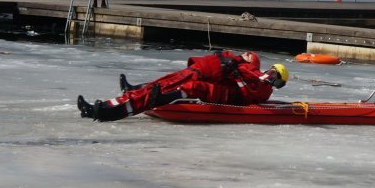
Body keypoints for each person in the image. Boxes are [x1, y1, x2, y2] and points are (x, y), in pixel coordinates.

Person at [76, 50, 288, 121]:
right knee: (158, 85)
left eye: (273, 73)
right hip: (199, 75)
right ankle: (103, 105)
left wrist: (235, 70)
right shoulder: (246, 71)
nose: (246, 54)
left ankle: (106, 111)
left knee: (177, 88)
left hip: (204, 86)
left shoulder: (257, 78)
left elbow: (247, 92)